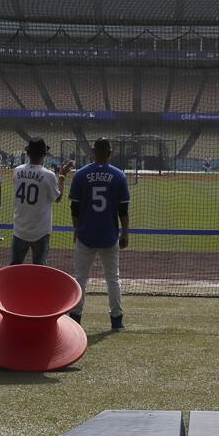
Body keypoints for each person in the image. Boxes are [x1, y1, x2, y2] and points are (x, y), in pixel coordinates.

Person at [68, 137, 130, 331]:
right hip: (109, 235)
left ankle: (75, 319)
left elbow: (74, 208)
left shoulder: (81, 175)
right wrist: (125, 233)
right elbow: (123, 210)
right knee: (113, 279)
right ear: (110, 153)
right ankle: (117, 320)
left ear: (93, 151)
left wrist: (76, 230)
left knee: (80, 279)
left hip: (85, 234)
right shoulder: (119, 176)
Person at [10, 136, 70, 266]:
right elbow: (57, 198)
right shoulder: (48, 175)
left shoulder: (17, 171)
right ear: (44, 154)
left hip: (20, 230)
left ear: (28, 153)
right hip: (41, 232)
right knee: (40, 270)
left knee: (14, 268)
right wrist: (62, 177)